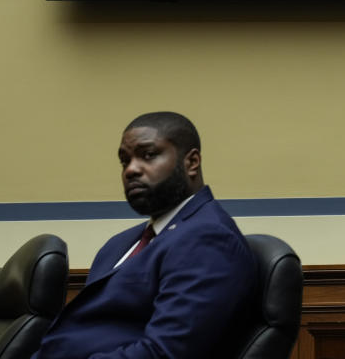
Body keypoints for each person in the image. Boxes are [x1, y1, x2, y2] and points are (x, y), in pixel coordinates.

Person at [33, 112, 256, 358]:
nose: (131, 170)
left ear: (191, 162)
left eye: (148, 155)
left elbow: (164, 353)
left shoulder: (209, 239)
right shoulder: (120, 244)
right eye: (124, 161)